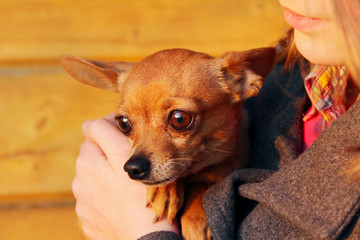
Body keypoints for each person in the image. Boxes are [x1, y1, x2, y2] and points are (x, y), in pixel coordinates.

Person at [72, 0, 360, 239]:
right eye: (127, 124)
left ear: (245, 80)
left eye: (179, 119)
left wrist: (142, 231)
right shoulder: (293, 82)